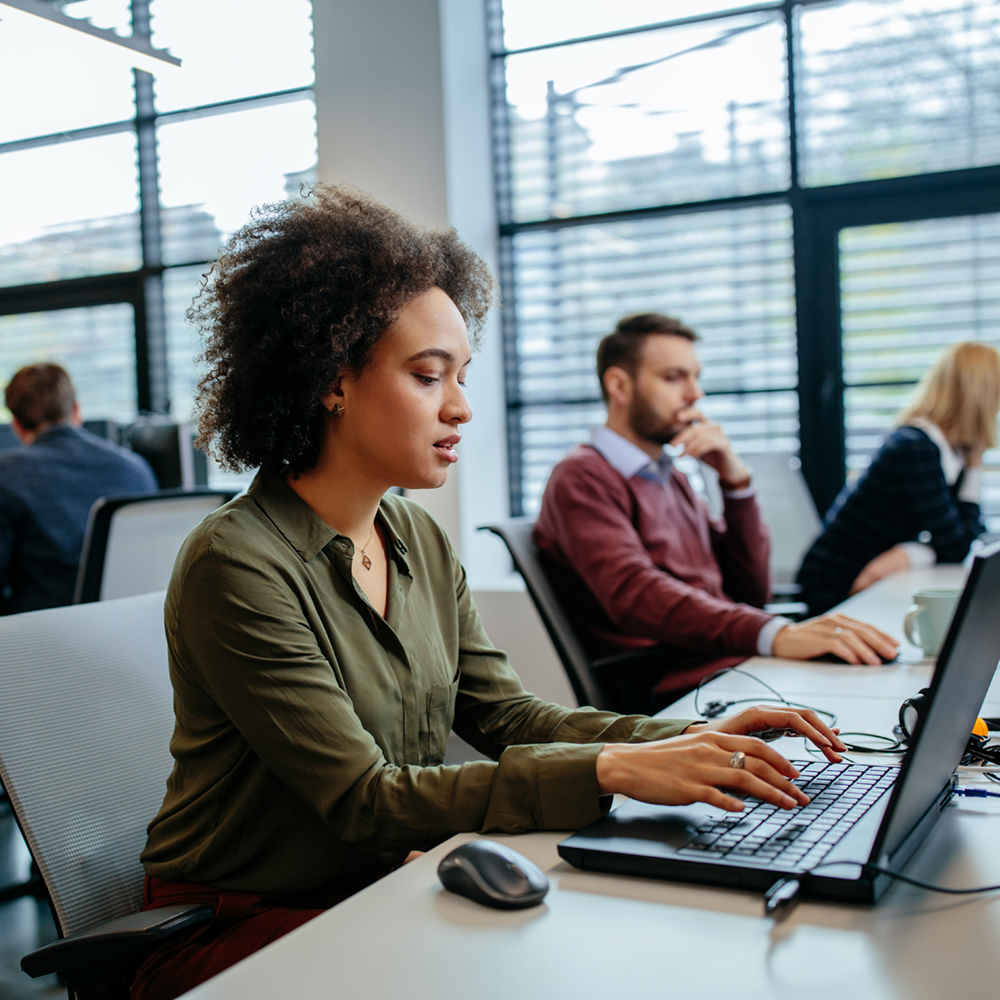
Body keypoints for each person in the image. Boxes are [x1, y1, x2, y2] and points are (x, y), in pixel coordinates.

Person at [131, 187, 847, 1000]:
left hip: (372, 887)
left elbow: (508, 718)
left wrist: (675, 742)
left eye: (462, 376)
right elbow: (365, 800)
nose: (461, 407)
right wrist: (615, 769)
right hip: (235, 927)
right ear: (332, 380)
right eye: (428, 375)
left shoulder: (418, 539)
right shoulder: (238, 561)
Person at [533, 313, 898, 705]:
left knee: (880, 675)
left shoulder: (670, 478)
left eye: (695, 376)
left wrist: (736, 484)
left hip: (728, 666)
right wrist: (775, 634)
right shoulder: (582, 476)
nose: (695, 395)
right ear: (619, 385)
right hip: (679, 685)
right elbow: (636, 595)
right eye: (674, 377)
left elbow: (751, 591)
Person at [796, 341, 1000, 615]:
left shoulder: (949, 451)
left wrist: (908, 553)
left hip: (876, 578)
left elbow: (968, 534)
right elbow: (956, 546)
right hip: (837, 583)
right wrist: (911, 553)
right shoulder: (915, 446)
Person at [0, 363, 158, 614]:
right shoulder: (136, 468)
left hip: (37, 637)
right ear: (76, 411)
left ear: (17, 424)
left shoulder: (6, 475)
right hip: (128, 627)